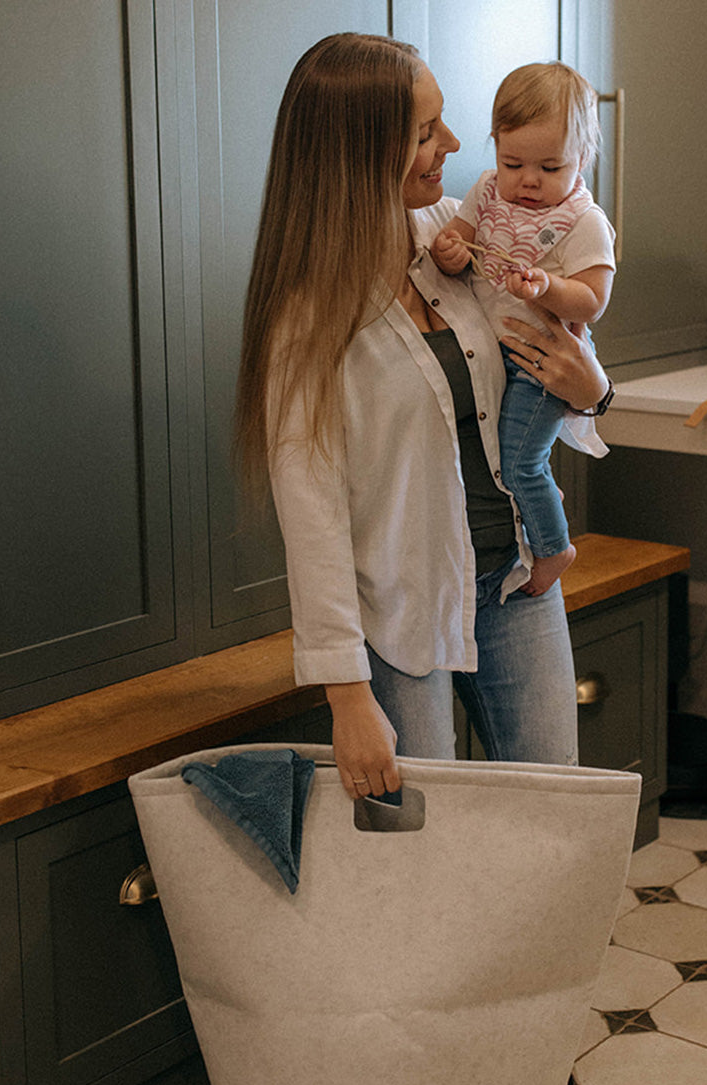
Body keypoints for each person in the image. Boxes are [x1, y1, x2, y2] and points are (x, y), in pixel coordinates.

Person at [234, 33, 613, 801]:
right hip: (403, 611)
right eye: (424, 131)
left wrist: (596, 388)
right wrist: (347, 696)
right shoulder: (306, 317)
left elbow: (562, 340)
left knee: (557, 813)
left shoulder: (454, 234)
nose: (453, 143)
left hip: (514, 577)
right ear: (361, 149)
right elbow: (312, 518)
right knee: (423, 843)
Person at [432, 62, 616, 597]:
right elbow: (460, 242)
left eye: (550, 167)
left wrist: (547, 289)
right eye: (512, 162)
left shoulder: (582, 221)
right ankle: (544, 501)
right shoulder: (489, 193)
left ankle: (556, 550)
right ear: (495, 148)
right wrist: (448, 252)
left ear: (580, 160)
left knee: (518, 461)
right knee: (514, 458)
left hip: (538, 365)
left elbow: (594, 299)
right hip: (496, 356)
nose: (528, 180)